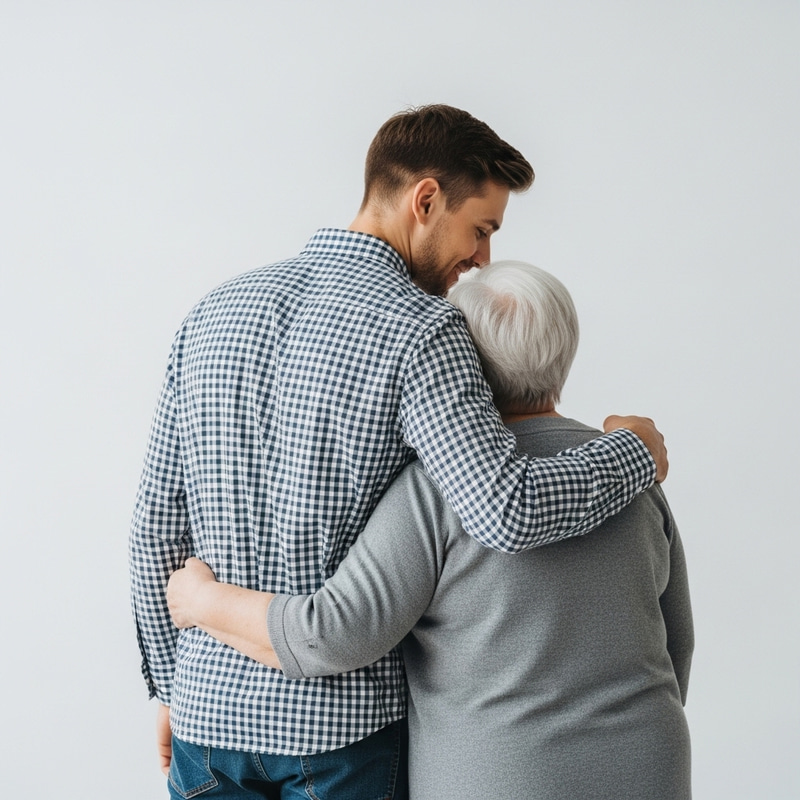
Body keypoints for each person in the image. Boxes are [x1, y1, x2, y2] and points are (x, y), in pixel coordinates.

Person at [130, 105, 668, 799]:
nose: (481, 260)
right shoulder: (424, 330)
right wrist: (633, 452)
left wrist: (172, 690)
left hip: (208, 725)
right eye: (482, 229)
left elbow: (156, 527)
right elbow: (508, 510)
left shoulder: (213, 310)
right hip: (340, 738)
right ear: (425, 199)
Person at [168, 261, 694, 800]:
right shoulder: (636, 475)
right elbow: (678, 645)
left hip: (497, 776)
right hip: (651, 765)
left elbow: (330, 634)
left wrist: (201, 600)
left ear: (462, 361)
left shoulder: (439, 490)